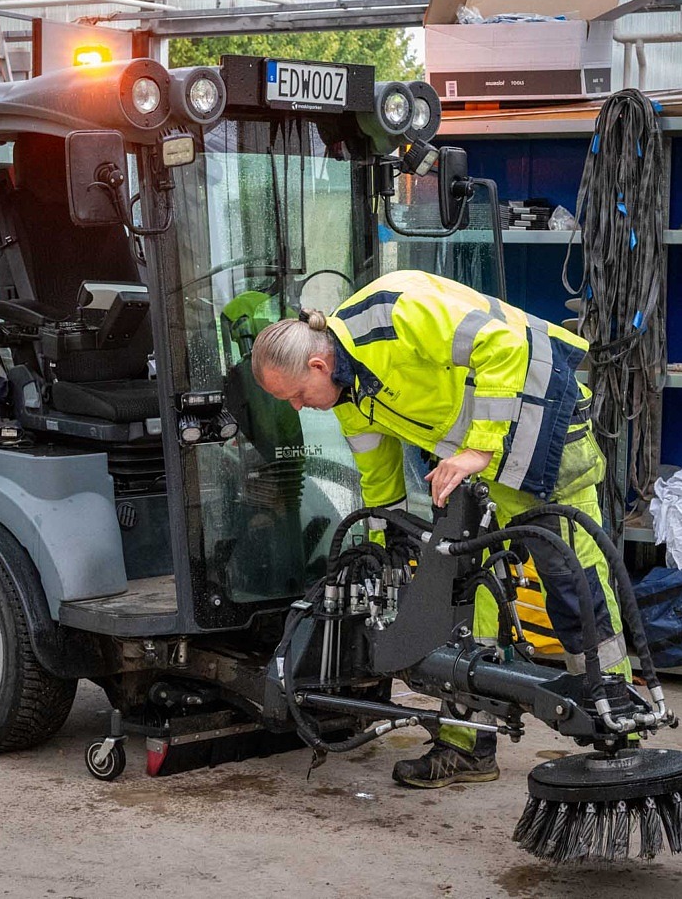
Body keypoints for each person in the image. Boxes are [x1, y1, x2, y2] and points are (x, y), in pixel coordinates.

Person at [250, 269, 632, 789]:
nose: (297, 407)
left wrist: (479, 447)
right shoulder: (349, 392)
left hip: (541, 432)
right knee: (458, 593)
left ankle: (618, 722)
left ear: (319, 364)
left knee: (572, 580)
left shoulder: (395, 314)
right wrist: (383, 545)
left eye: (296, 395)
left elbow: (505, 345)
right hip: (474, 462)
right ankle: (466, 744)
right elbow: (378, 472)